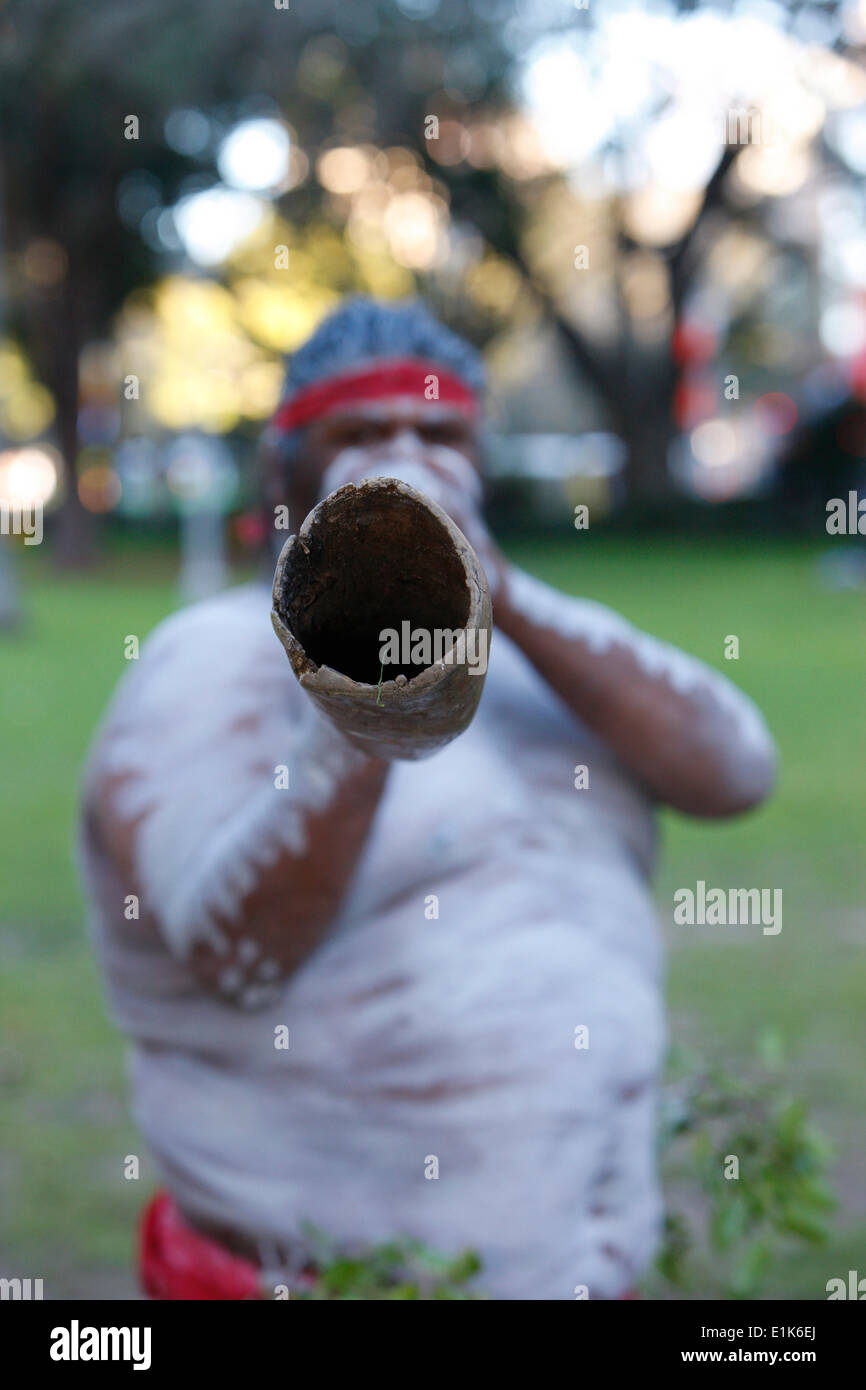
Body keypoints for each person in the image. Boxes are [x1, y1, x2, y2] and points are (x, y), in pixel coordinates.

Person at [78, 297, 777, 1301]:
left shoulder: (550, 656)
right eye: (360, 433)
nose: (406, 455)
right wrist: (371, 651)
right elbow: (237, 949)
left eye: (439, 434)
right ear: (287, 472)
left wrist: (498, 594)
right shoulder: (208, 661)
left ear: (480, 465)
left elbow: (735, 771)